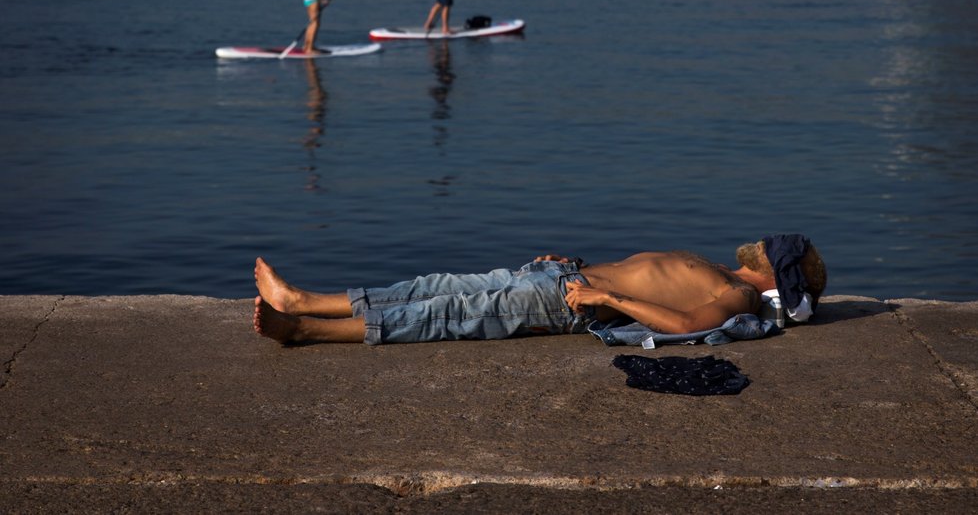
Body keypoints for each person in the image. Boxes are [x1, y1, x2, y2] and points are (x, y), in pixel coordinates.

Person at [252, 235, 827, 346]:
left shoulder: (744, 299)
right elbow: (643, 270)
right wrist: (576, 266)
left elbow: (685, 326)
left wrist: (609, 302)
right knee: (433, 285)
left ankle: (304, 330)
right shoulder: (720, 269)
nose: (758, 242)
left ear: (776, 273)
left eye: (769, 249)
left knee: (446, 313)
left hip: (565, 302)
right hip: (557, 277)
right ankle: (303, 300)